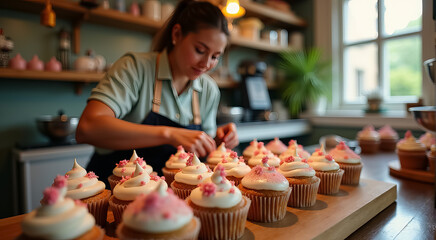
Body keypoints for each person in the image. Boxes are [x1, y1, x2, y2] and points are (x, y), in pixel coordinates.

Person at [75, 0, 239, 185]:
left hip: (173, 197)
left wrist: (219, 139)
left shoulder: (209, 90)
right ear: (177, 34)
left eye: (215, 56)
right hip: (114, 190)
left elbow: (205, 152)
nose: (206, 64)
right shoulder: (135, 68)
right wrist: (169, 134)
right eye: (200, 50)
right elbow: (87, 128)